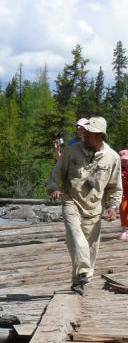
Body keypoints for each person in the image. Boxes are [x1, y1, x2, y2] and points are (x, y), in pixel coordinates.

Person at [46, 116, 123, 293]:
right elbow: (56, 173)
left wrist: (112, 206)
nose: (85, 135)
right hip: (71, 200)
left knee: (89, 247)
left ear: (100, 136)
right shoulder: (71, 152)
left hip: (95, 207)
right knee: (75, 235)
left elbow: (114, 186)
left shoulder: (112, 158)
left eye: (90, 133)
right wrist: (53, 188)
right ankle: (83, 273)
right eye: (85, 131)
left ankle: (80, 280)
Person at [120, 148, 128, 241]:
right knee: (123, 209)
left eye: (126, 160)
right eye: (122, 160)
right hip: (123, 194)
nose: (124, 162)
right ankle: (124, 229)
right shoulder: (119, 171)